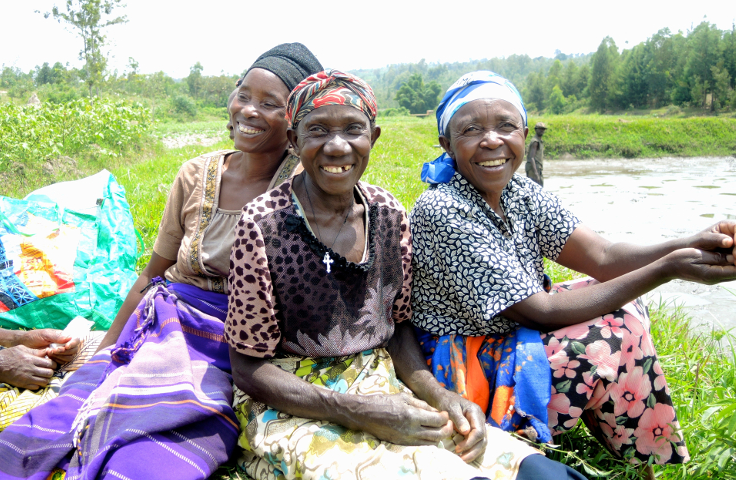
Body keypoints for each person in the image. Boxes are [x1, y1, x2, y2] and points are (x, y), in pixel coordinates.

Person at [0, 43, 323, 480]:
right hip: (162, 323)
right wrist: (100, 355)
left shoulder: (302, 189)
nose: (249, 111)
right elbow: (152, 273)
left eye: (270, 103)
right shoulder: (196, 175)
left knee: (152, 454)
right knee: (55, 424)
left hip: (235, 346)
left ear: (294, 120)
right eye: (244, 95)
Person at [226, 69, 587, 480]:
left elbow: (396, 329)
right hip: (292, 401)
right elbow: (247, 368)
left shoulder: (387, 213)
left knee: (539, 473)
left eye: (353, 130)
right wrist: (356, 411)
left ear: (373, 138)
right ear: (294, 141)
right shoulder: (262, 224)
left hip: (380, 380)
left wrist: (440, 395)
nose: (338, 146)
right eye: (317, 131)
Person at [410, 71, 736, 469]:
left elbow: (602, 256)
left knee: (626, 306)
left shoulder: (520, 191)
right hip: (465, 363)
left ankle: (636, 457)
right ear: (447, 144)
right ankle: (631, 455)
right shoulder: (443, 209)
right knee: (613, 333)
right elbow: (541, 311)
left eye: (505, 126)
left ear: (525, 132)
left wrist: (690, 242)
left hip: (511, 331)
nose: (492, 140)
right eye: (471, 130)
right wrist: (670, 268)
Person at [525, 122, 546, 186]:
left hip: (537, 168)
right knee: (535, 188)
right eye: (540, 129)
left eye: (543, 129)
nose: (541, 131)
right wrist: (536, 173)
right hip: (533, 168)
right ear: (536, 130)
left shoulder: (539, 140)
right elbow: (531, 157)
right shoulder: (535, 141)